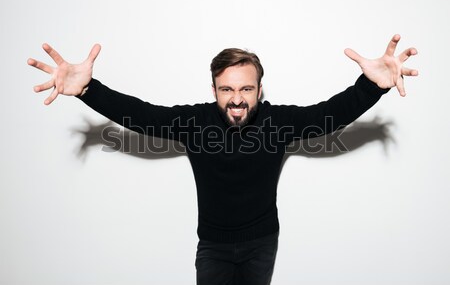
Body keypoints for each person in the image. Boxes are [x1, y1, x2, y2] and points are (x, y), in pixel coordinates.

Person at [28, 35, 418, 285]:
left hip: (263, 242)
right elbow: (143, 115)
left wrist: (371, 86)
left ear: (260, 89)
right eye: (227, 88)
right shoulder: (195, 122)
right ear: (213, 89)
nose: (236, 98)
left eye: (246, 88)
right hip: (212, 246)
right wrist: (88, 90)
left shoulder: (277, 121)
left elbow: (327, 115)